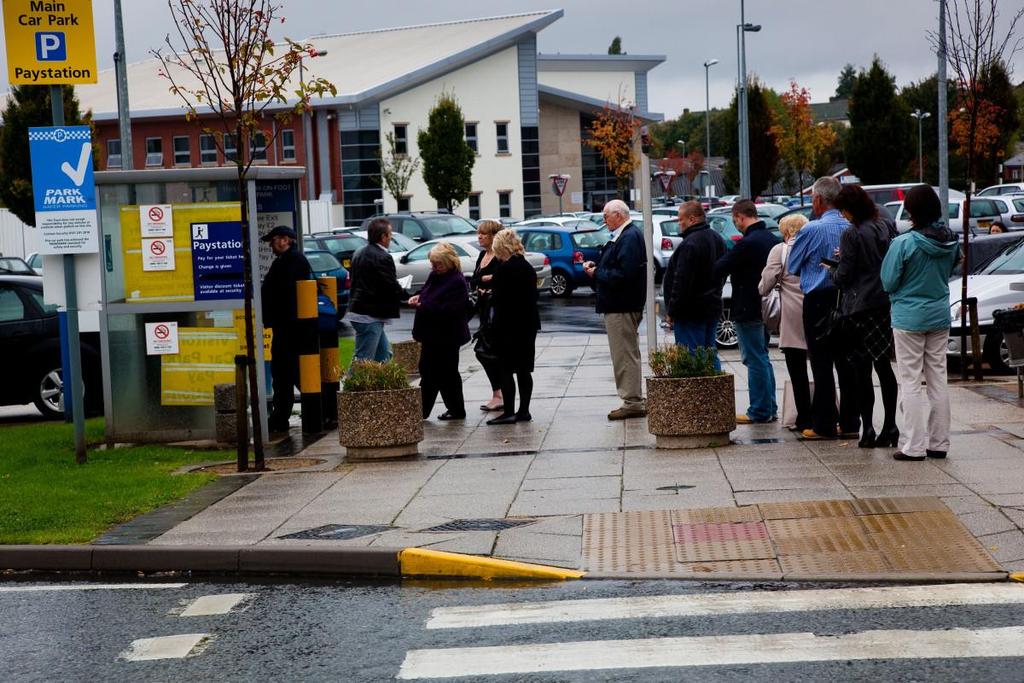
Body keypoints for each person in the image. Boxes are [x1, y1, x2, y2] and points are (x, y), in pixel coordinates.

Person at [881, 185, 960, 461]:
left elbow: (888, 281)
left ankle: (913, 445)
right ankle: (940, 443)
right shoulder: (951, 241)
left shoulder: (903, 243)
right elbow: (952, 269)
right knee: (938, 378)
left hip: (908, 318)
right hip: (939, 314)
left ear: (911, 211)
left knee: (911, 380)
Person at [787, 177, 859, 440]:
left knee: (821, 362)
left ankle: (824, 423)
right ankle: (851, 421)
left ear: (817, 200)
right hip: (847, 299)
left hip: (818, 300)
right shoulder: (852, 227)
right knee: (846, 362)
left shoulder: (811, 230)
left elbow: (793, 265)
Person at [832, 184, 900, 449]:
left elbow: (844, 275)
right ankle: (891, 426)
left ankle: (869, 428)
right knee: (883, 366)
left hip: (858, 306)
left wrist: (832, 271)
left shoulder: (851, 234)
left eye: (843, 211)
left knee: (861, 369)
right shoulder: (884, 226)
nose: (843, 215)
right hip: (882, 303)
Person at [714, 199, 780, 423]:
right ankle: (769, 406)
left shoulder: (747, 243)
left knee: (753, 359)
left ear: (740, 216)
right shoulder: (771, 239)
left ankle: (760, 410)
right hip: (767, 306)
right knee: (763, 356)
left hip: (747, 305)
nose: (737, 225)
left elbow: (720, 267)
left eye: (736, 221)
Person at [584, 199, 647, 420]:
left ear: (619, 215)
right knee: (627, 352)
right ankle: (634, 398)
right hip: (622, 303)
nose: (604, 220)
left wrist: (596, 273)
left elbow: (624, 275)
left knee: (624, 354)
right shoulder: (625, 235)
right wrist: (599, 270)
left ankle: (632, 401)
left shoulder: (628, 236)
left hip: (621, 305)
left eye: (606, 216)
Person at [759, 213, 811, 432]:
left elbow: (766, 284)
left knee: (797, 368)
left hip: (791, 315)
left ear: (787, 231)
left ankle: (804, 417)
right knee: (821, 366)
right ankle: (825, 412)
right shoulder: (812, 246)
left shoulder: (780, 250)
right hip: (815, 309)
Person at [408, 242, 470, 420]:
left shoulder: (456, 281)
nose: (434, 267)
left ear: (449, 262)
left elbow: (450, 310)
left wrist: (423, 305)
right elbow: (427, 292)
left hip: (447, 336)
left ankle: (432, 410)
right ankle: (441, 409)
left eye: (438, 264)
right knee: (433, 372)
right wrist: (418, 296)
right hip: (433, 335)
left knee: (441, 373)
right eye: (432, 264)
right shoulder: (436, 275)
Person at [663, 200, 727, 371]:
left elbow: (681, 281)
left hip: (690, 311)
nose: (679, 223)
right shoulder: (717, 239)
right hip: (711, 306)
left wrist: (671, 310)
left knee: (691, 358)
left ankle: (697, 395)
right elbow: (723, 272)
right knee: (709, 352)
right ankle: (715, 394)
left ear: (691, 219)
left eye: (680, 219)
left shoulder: (690, 244)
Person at [260, 225, 312, 433]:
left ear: (284, 240)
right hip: (285, 328)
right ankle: (281, 416)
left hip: (291, 329)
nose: (271, 245)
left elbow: (287, 293)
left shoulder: (294, 261)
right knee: (283, 374)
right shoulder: (284, 261)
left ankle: (288, 415)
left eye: (272, 241)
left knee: (287, 373)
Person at [487, 230, 540, 425]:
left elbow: (500, 300)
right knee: (524, 370)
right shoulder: (526, 266)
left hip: (508, 326)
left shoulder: (504, 269)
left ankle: (509, 411)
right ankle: (523, 410)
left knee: (505, 369)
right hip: (527, 325)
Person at [348, 218, 405, 363]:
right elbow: (390, 285)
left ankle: (382, 385)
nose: (391, 237)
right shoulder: (383, 256)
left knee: (384, 355)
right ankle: (352, 385)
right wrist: (405, 292)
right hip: (370, 315)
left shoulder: (358, 252)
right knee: (363, 360)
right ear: (383, 237)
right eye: (390, 234)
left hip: (358, 311)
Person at [470, 219, 504, 412]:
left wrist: (487, 285)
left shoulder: (499, 257)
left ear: (493, 236)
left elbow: (500, 281)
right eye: (478, 233)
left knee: (489, 352)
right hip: (483, 311)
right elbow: (474, 280)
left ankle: (499, 394)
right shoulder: (483, 255)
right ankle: (498, 392)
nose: (479, 236)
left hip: (495, 312)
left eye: (483, 233)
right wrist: (483, 280)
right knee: (483, 352)